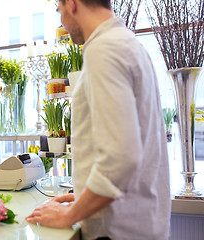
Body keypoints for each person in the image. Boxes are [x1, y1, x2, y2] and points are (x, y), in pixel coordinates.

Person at [26, 0, 171, 239]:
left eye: (58, 10)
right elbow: (135, 145)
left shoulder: (104, 49)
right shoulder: (128, 43)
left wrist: (67, 216)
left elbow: (119, 159)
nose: (61, 20)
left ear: (72, 4)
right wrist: (86, 195)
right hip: (138, 222)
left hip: (116, 231)